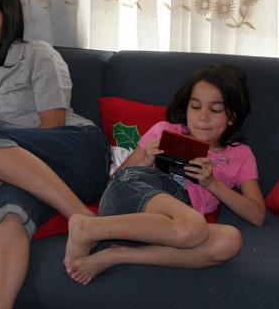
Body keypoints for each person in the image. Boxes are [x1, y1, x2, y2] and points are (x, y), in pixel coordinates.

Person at [0, 0, 109, 309]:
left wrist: (2, 168)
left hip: (77, 151)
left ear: (8, 20)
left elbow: (52, 125)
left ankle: (81, 218)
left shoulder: (37, 55)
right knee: (8, 219)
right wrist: (6, 175)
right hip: (30, 175)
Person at [64, 64, 266, 285]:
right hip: (130, 193)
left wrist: (212, 184)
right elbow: (115, 182)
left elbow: (257, 215)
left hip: (167, 229)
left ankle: (116, 255)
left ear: (232, 116)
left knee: (229, 240)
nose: (203, 117)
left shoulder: (240, 154)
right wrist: (145, 159)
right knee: (193, 227)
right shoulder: (165, 131)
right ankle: (86, 227)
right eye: (195, 107)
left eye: (215, 110)